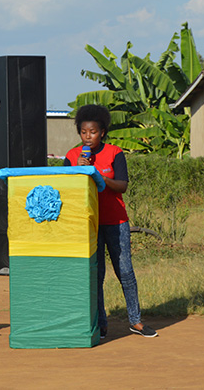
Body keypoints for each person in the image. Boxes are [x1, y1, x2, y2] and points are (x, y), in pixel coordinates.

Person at [63, 104, 157, 339]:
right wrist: (78, 172)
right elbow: (66, 189)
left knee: (125, 272)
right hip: (89, 224)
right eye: (84, 132)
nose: (88, 137)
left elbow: (122, 186)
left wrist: (98, 174)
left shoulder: (114, 153)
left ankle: (135, 321)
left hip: (116, 222)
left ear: (102, 132)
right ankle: (100, 324)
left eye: (93, 132)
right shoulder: (72, 157)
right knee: (96, 275)